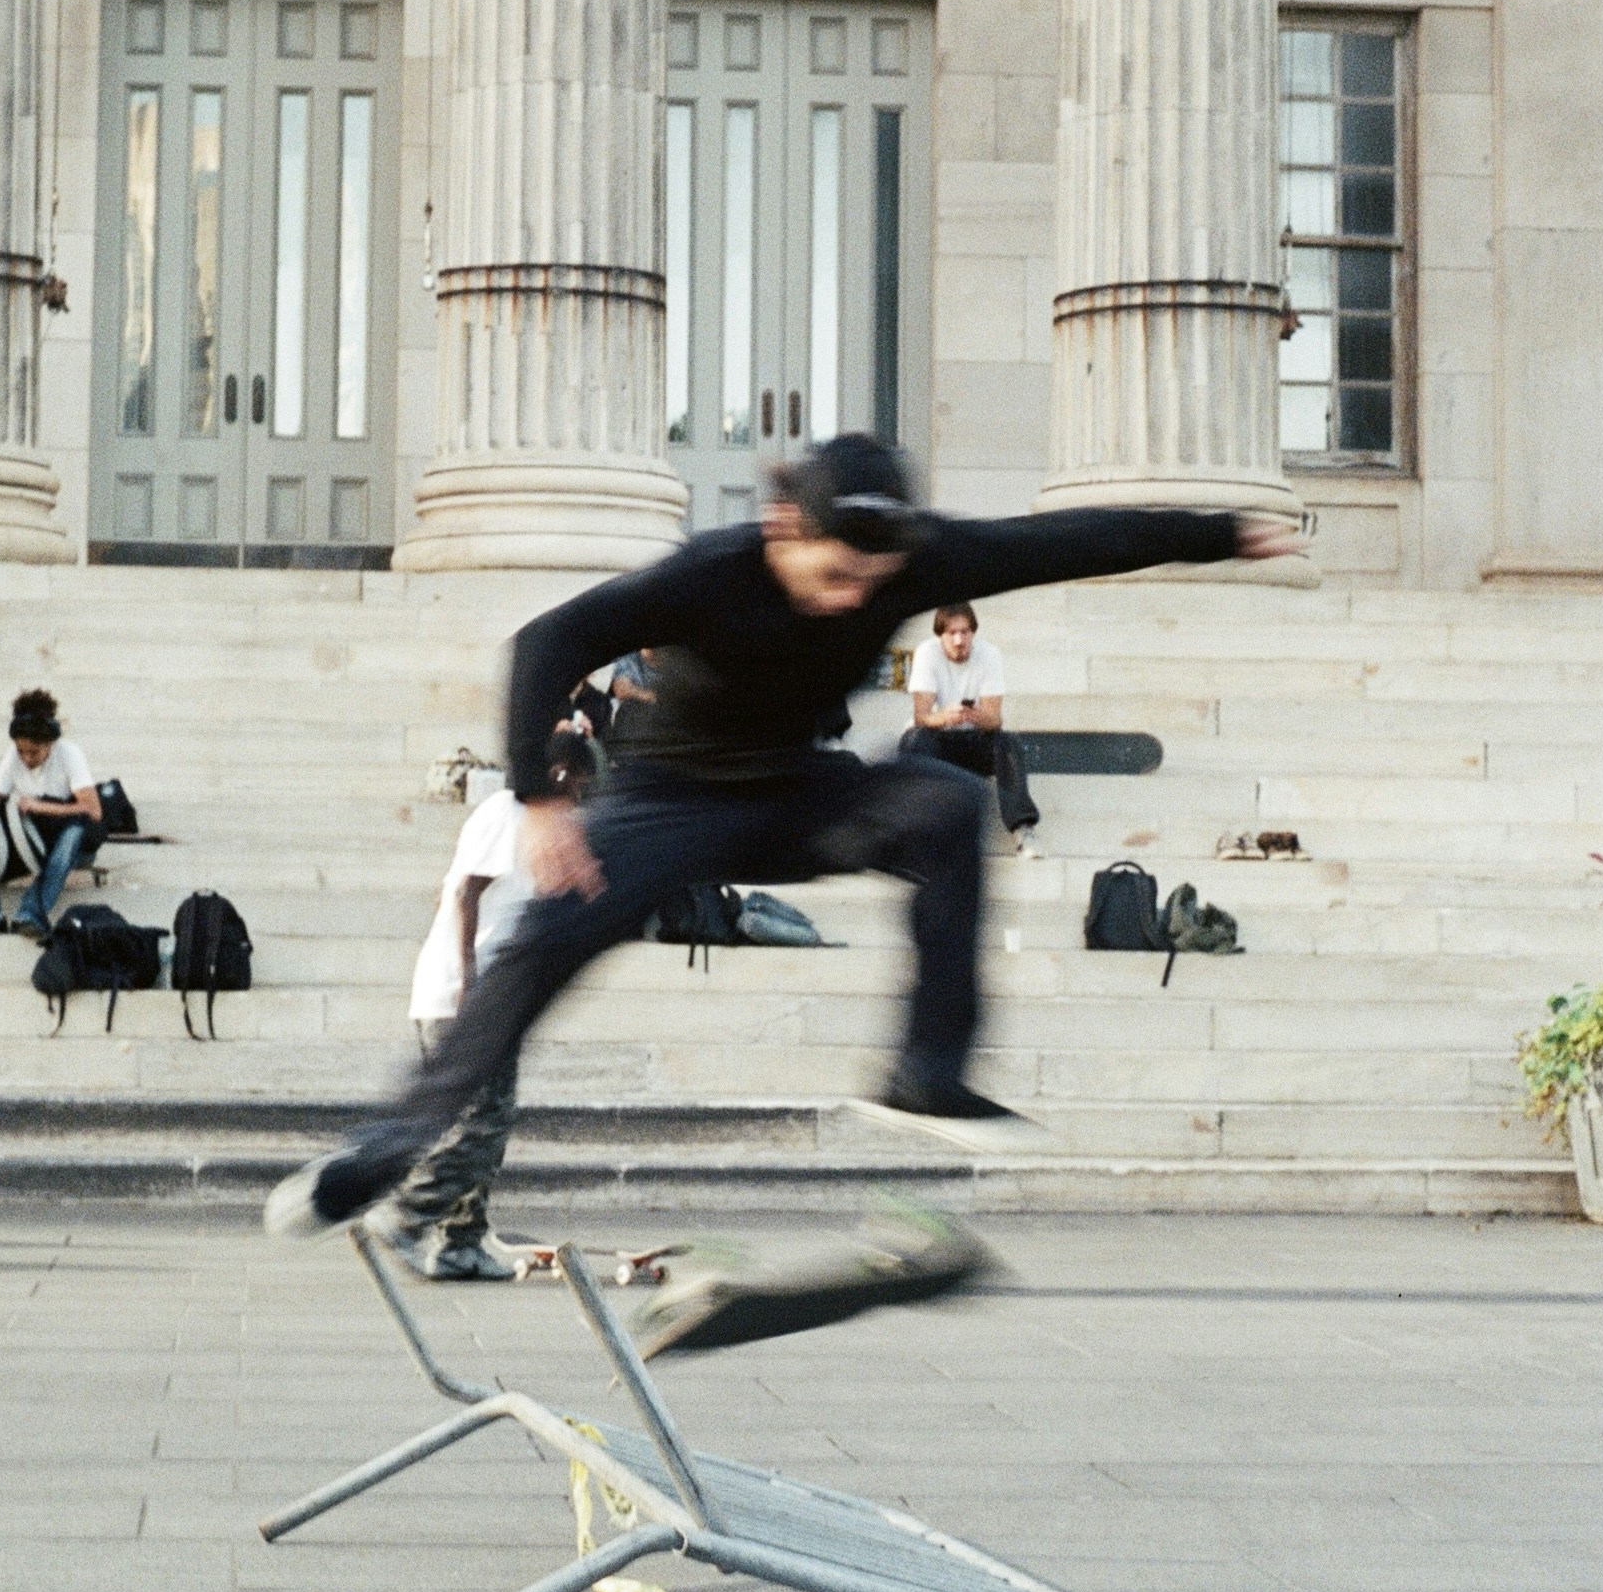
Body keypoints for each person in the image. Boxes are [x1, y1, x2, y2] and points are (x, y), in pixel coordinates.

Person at [267, 433, 1298, 1346]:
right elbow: (548, 642)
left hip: (799, 796)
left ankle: (923, 1072)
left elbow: (1073, 541)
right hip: (668, 802)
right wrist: (540, 800)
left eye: (872, 582)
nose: (853, 599)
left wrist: (1219, 531)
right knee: (541, 940)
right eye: (833, 574)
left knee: (941, 808)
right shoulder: (709, 570)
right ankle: (387, 1149)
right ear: (777, 526)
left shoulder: (917, 557)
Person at [370, 729, 600, 1282]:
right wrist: (469, 981)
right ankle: (406, 1216)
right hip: (463, 993)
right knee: (483, 1125)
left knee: (485, 1120)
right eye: (581, 791)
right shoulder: (508, 810)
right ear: (560, 775)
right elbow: (466, 891)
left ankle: (460, 1243)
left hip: (490, 991)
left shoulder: (522, 820)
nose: (580, 805)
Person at [0, 689, 106, 941]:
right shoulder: (13, 757)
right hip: (33, 838)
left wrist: (41, 806)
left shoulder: (68, 754)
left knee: (72, 834)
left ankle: (32, 913)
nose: (26, 758)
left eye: (33, 752)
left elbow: (94, 810)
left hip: (69, 837)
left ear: (49, 744)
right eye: (21, 750)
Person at [899, 602, 1036, 835]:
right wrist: (943, 717)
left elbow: (995, 721)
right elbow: (921, 716)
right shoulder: (926, 652)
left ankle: (1022, 826)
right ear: (940, 636)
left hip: (974, 742)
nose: (959, 641)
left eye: (965, 632)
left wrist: (976, 717)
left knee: (1008, 742)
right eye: (951, 633)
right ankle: (916, 824)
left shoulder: (989, 654)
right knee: (914, 739)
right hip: (939, 742)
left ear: (973, 633)